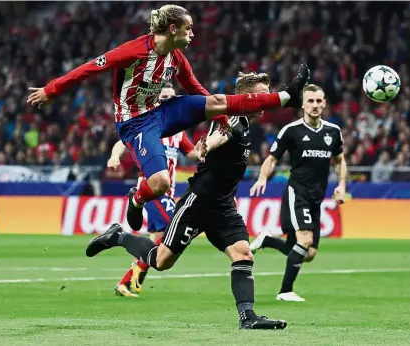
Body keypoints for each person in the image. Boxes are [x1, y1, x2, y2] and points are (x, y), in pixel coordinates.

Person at [26, 4, 310, 232]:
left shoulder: (175, 56)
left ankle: (287, 96)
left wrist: (220, 115)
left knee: (217, 100)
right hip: (135, 121)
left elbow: (194, 88)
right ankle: (137, 200)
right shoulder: (133, 51)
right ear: (173, 29)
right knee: (160, 183)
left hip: (164, 111)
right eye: (189, 29)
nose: (192, 35)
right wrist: (52, 89)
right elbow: (89, 69)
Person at [85, 72, 288, 330]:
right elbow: (218, 137)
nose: (265, 101)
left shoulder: (245, 126)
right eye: (261, 95)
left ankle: (247, 317)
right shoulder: (232, 119)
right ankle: (118, 236)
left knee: (243, 253)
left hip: (223, 206)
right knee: (161, 261)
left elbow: (203, 154)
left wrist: (202, 152)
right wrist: (208, 145)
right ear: (246, 97)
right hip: (198, 203)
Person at [249, 84, 348, 302]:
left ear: (324, 104)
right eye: (310, 101)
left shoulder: (333, 132)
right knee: (304, 240)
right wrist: (263, 177)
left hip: (317, 197)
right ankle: (285, 291)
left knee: (309, 253)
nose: (314, 105)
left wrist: (341, 185)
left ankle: (267, 240)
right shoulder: (291, 130)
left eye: (318, 101)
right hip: (297, 192)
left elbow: (340, 160)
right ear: (303, 104)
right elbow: (272, 158)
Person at [108, 84, 201, 297]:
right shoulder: (148, 124)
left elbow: (192, 153)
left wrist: (205, 150)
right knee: (174, 228)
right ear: (156, 101)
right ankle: (127, 252)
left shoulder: (178, 131)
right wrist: (114, 157)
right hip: (151, 189)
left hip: (166, 192)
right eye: (163, 97)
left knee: (158, 242)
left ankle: (125, 283)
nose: (167, 100)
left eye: (171, 97)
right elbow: (122, 142)